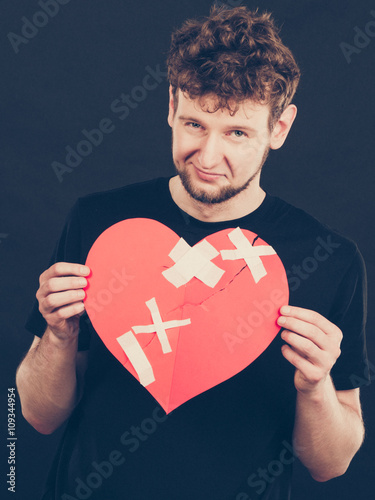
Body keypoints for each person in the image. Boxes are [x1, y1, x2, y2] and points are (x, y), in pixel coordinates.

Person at [17, 6, 369, 500]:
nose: (206, 158)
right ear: (170, 106)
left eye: (237, 133)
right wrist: (56, 335)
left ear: (280, 128)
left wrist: (315, 388)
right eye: (194, 124)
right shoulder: (98, 223)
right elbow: (36, 416)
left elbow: (331, 465)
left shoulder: (330, 259)